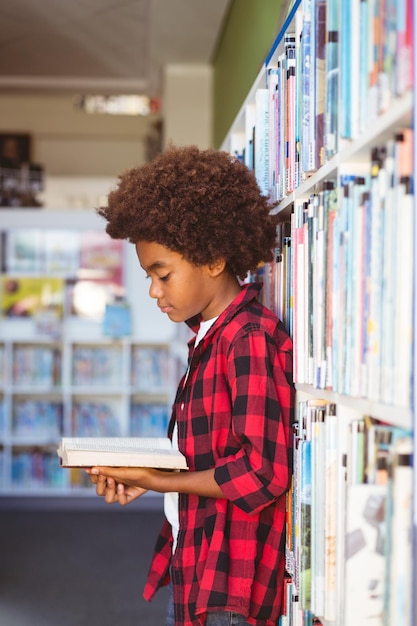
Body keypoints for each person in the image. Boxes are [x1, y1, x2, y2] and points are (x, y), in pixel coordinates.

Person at [87, 145, 295, 626]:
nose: (154, 290)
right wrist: (141, 477)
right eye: (149, 276)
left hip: (228, 586)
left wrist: (159, 481)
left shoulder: (248, 338)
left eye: (162, 274)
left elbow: (263, 473)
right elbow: (208, 452)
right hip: (197, 563)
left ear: (214, 258)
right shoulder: (209, 336)